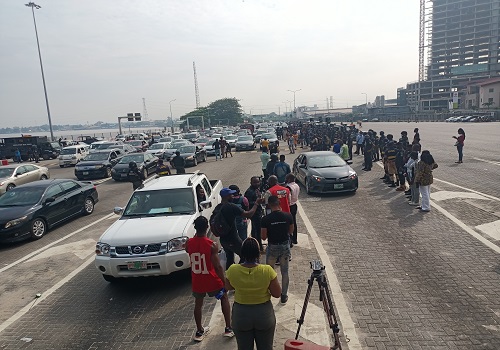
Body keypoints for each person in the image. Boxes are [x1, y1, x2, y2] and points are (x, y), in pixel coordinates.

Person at [225, 237, 281, 350]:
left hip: (241, 315)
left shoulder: (233, 270)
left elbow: (228, 286)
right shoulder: (267, 270)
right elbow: (277, 293)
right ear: (258, 253)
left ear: (243, 253)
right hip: (263, 314)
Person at [186, 216, 234, 341]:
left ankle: (199, 331)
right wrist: (224, 282)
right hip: (211, 279)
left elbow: (188, 250)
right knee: (223, 297)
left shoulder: (189, 243)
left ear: (195, 228)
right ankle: (228, 328)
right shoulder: (212, 245)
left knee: (198, 304)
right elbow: (218, 266)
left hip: (197, 279)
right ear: (207, 227)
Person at [215, 188, 264, 270]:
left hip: (223, 240)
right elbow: (249, 214)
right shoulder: (231, 206)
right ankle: (239, 272)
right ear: (226, 196)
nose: (233, 196)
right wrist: (256, 203)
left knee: (229, 258)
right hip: (233, 239)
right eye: (231, 194)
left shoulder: (218, 207)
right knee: (247, 256)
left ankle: (229, 276)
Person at [261, 195, 294, 305]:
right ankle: (284, 295)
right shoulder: (288, 216)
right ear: (279, 203)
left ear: (269, 205)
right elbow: (290, 231)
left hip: (272, 247)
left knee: (269, 272)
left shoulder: (266, 219)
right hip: (284, 246)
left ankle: (269, 293)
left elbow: (263, 237)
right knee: (285, 272)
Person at [244, 176, 264, 252]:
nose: (256, 184)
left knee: (255, 229)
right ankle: (259, 246)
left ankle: (255, 243)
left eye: (258, 182)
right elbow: (247, 203)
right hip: (254, 213)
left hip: (258, 211)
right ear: (251, 183)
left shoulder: (257, 189)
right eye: (254, 182)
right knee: (258, 230)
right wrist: (257, 202)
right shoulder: (249, 192)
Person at [285, 173, 300, 246]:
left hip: (290, 206)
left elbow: (289, 198)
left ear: (289, 179)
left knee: (289, 223)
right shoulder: (296, 185)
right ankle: (295, 239)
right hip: (295, 205)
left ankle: (290, 240)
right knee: (294, 222)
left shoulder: (288, 187)